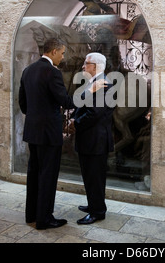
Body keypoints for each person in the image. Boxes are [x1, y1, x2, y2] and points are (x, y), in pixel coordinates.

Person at [19, 39, 106, 230]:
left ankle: (31, 214)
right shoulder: (52, 72)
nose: (63, 57)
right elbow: (67, 102)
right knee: (48, 176)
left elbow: (23, 105)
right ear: (52, 51)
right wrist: (90, 90)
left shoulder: (27, 71)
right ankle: (44, 219)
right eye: (62, 53)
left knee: (34, 174)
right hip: (49, 134)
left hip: (32, 132)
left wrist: (38, 115)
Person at [69, 52, 114, 225]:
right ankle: (93, 204)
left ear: (95, 66)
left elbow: (94, 113)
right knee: (89, 175)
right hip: (89, 138)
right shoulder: (93, 83)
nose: (83, 66)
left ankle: (97, 212)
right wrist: (74, 117)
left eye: (86, 63)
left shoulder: (104, 85)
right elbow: (82, 105)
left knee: (95, 176)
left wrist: (75, 123)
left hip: (96, 140)